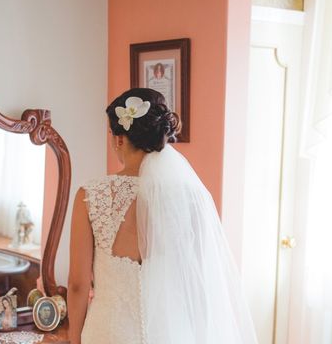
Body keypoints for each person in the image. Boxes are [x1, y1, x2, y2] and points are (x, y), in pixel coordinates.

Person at [68, 88, 257, 344]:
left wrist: (73, 337)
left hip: (109, 332)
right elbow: (199, 282)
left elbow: (79, 284)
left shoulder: (91, 195)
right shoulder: (191, 197)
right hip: (170, 331)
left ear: (120, 140)